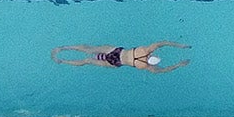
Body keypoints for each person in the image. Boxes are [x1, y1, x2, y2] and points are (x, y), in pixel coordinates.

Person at [50, 41, 189, 72]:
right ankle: (62, 61)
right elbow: (163, 70)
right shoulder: (145, 66)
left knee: (89, 49)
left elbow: (162, 43)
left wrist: (180, 46)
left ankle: (62, 48)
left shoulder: (145, 50)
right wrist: (179, 64)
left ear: (152, 55)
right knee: (87, 61)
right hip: (115, 62)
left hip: (116, 51)